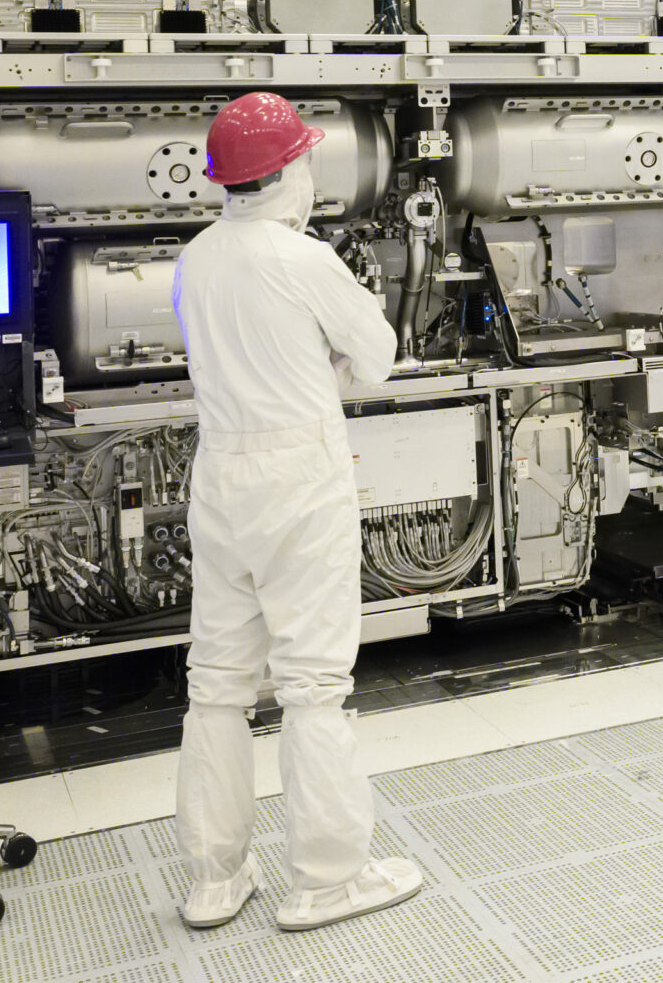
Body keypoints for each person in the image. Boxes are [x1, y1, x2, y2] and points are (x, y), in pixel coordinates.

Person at [169, 92, 420, 931]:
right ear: (285, 174)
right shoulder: (302, 258)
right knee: (313, 685)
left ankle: (214, 877)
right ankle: (326, 877)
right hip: (296, 481)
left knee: (217, 683)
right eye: (306, 159)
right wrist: (335, 362)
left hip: (221, 478)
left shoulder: (196, 257)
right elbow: (379, 356)